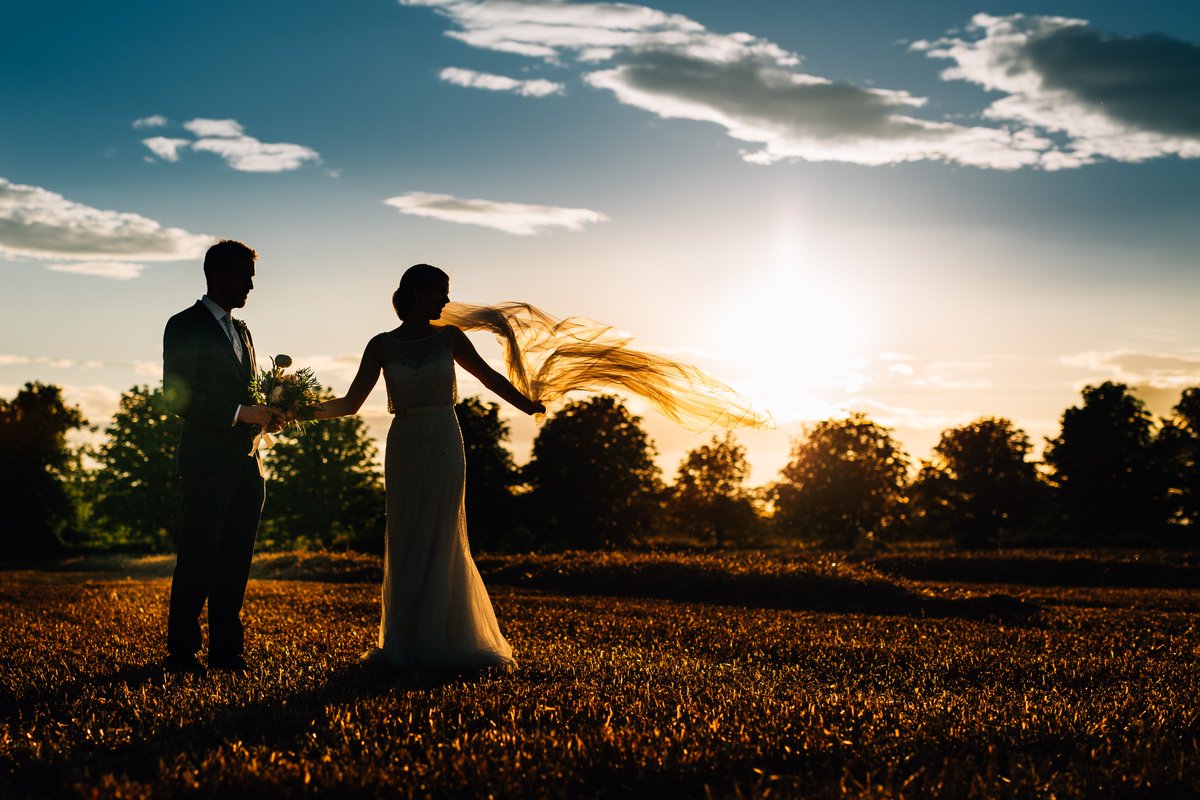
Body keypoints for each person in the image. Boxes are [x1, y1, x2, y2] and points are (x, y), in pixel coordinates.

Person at [315, 264, 543, 669]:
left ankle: (449, 636)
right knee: (405, 534)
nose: (448, 300)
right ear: (418, 292)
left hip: (443, 442)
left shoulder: (450, 338)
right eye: (442, 290)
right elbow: (350, 404)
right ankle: (405, 640)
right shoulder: (381, 345)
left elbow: (489, 378)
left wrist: (527, 404)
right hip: (403, 445)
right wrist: (297, 410)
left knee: (442, 531)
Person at [162, 239, 283, 673]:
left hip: (248, 465)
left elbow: (245, 394)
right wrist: (239, 413)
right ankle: (181, 654)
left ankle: (227, 653)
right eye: (243, 275)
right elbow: (176, 397)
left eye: (251, 276)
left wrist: (265, 413)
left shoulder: (244, 331)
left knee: (236, 559)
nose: (250, 284)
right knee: (198, 558)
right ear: (216, 275)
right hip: (205, 463)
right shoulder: (184, 325)